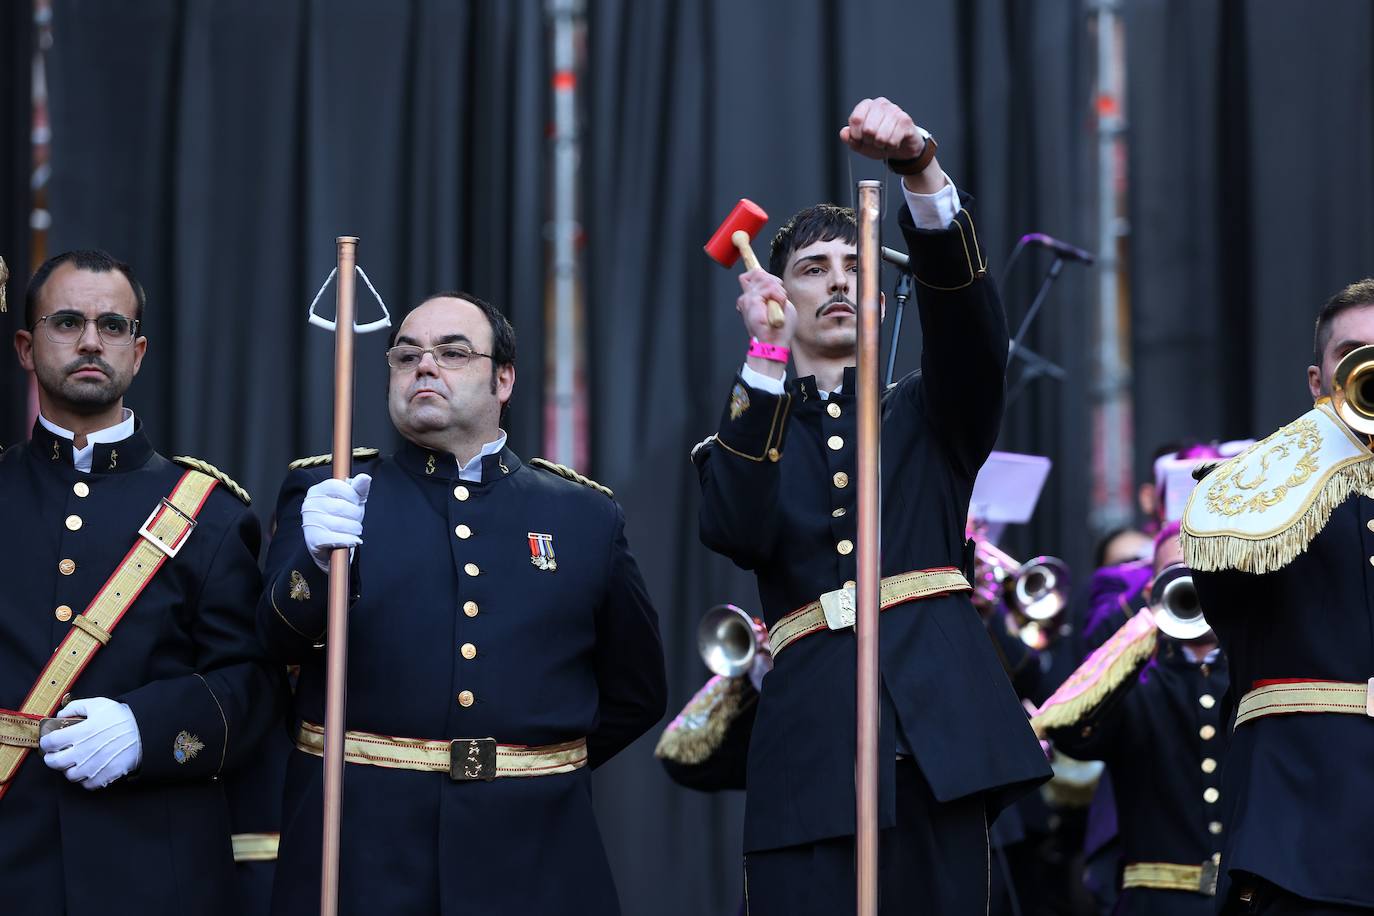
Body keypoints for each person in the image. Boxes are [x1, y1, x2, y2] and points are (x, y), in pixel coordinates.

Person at [692, 96, 1050, 915]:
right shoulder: (746, 433)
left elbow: (969, 328)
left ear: (885, 300)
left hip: (942, 744)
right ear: (772, 298)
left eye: (855, 266)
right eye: (812, 270)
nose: (839, 281)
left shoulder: (932, 414)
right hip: (810, 753)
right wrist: (765, 360)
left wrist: (920, 168)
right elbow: (736, 529)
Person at [258, 290, 667, 915]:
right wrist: (313, 564)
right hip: (365, 853)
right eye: (406, 355)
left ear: (503, 379)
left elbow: (636, 689)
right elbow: (276, 645)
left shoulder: (582, 514)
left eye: (452, 352)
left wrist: (530, 765)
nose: (425, 366)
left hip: (534, 855)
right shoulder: (331, 491)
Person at [0, 249, 279, 916]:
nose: (91, 340)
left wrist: (145, 728)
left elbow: (251, 683)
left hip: (154, 871)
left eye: (113, 326)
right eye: (67, 322)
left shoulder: (209, 513)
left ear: (140, 350)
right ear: (24, 346)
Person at [1183, 279, 1374, 913]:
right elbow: (1227, 578)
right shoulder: (1248, 491)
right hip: (1299, 824)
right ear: (1318, 381)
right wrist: (1325, 441)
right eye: (1352, 355)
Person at [1034, 522, 1229, 915]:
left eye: (1205, 568)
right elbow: (1072, 731)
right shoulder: (1136, 687)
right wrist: (1139, 632)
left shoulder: (1251, 680)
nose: (1193, 582)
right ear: (1151, 590)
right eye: (1176, 572)